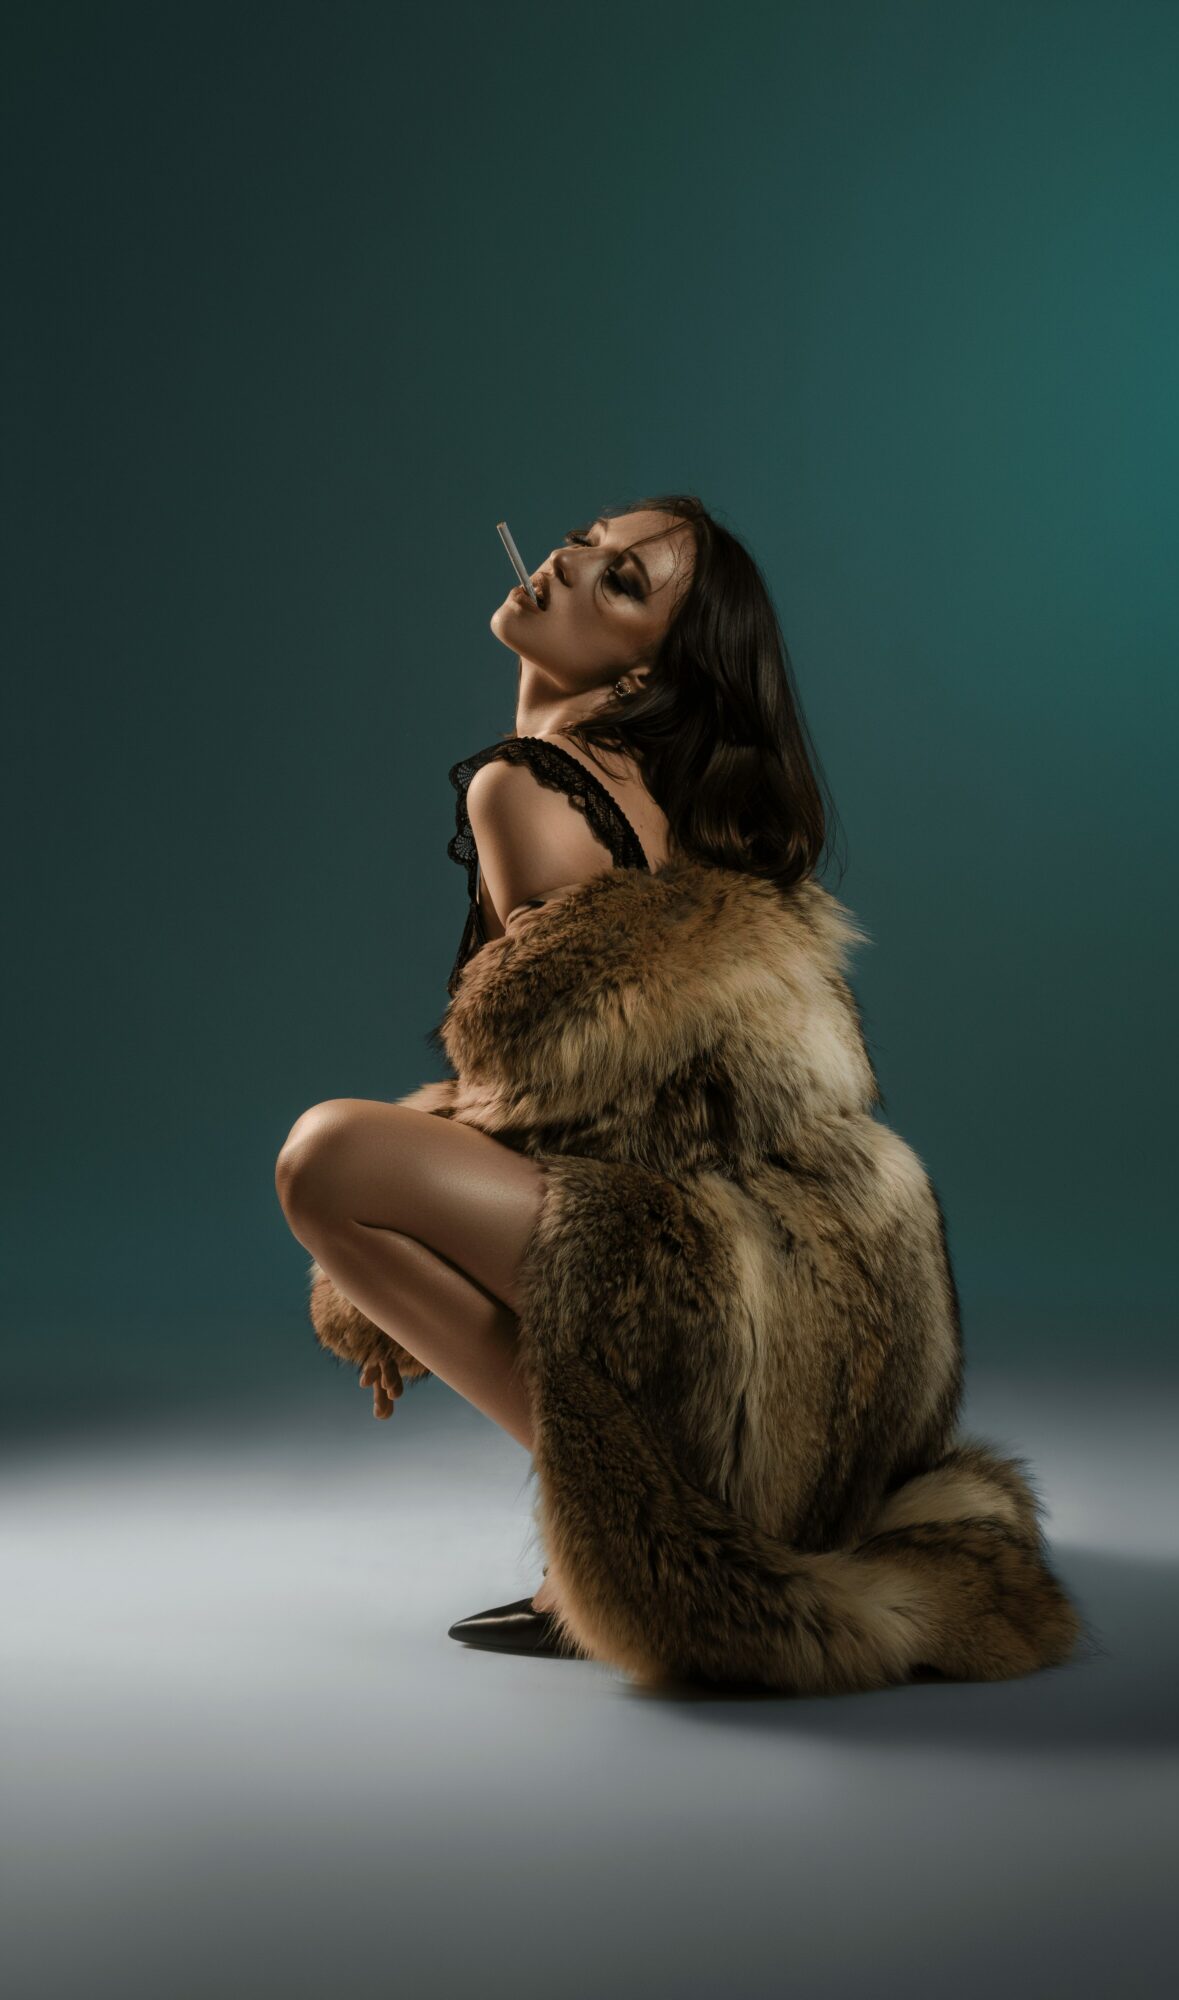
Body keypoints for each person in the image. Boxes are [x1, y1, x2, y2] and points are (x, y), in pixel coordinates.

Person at [275, 493, 844, 1649]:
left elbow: (557, 1096)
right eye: (587, 540)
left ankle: (659, 1526)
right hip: (775, 1268)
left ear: (645, 673)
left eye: (621, 581)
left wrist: (397, 1258)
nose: (569, 563)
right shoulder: (654, 792)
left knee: (326, 1161)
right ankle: (686, 1498)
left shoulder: (526, 784)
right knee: (388, 1174)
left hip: (685, 1268)